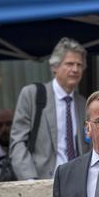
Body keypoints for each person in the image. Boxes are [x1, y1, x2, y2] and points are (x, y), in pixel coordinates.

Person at [10, 37, 89, 180]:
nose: (75, 69)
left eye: (79, 65)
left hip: (77, 183)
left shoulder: (83, 104)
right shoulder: (32, 95)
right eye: (70, 64)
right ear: (55, 67)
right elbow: (17, 143)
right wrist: (30, 181)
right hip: (42, 183)